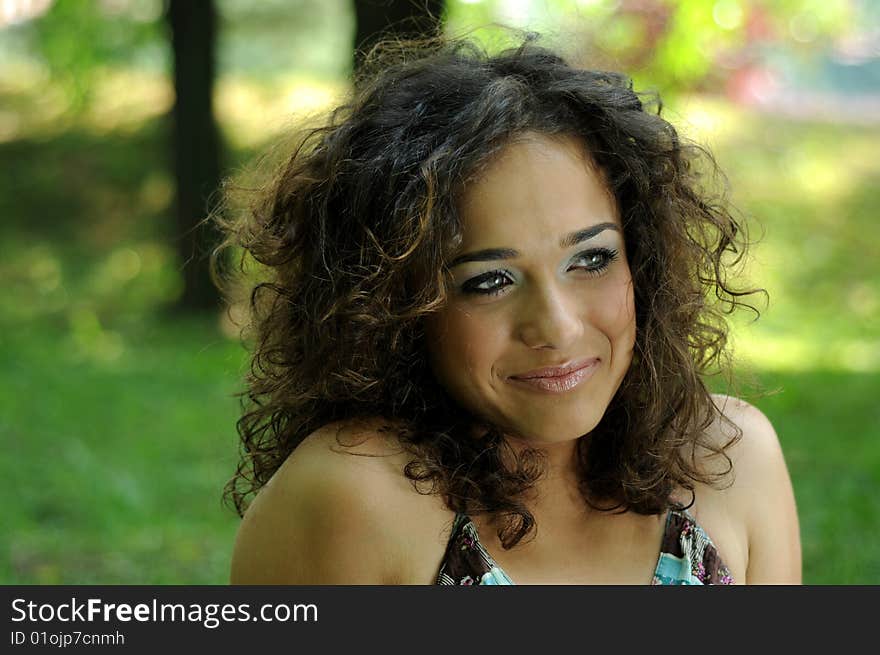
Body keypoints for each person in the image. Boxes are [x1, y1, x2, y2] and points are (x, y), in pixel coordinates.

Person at [217, 34, 801, 585]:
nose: (557, 326)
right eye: (490, 280)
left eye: (592, 259)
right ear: (394, 308)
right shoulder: (355, 494)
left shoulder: (730, 458)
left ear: (641, 260)